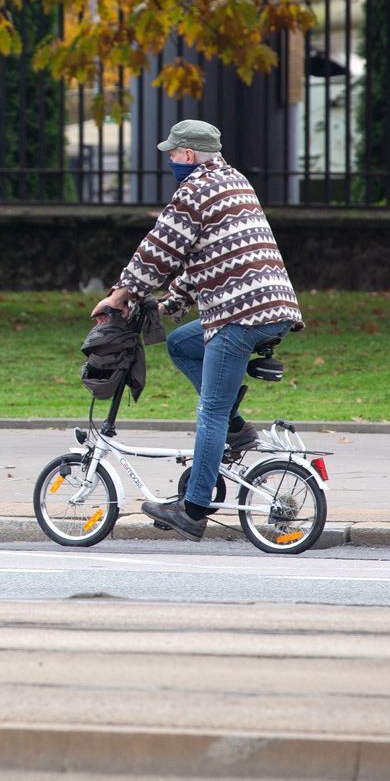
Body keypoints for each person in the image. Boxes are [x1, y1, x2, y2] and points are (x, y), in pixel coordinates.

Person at [90, 118, 303, 540]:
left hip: (240, 315)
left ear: (188, 155)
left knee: (210, 412)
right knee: (182, 343)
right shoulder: (233, 181)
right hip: (272, 306)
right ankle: (238, 431)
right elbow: (204, 255)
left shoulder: (195, 190)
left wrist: (120, 296)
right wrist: (169, 305)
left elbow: (160, 250)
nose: (170, 159)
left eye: (173, 152)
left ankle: (193, 508)